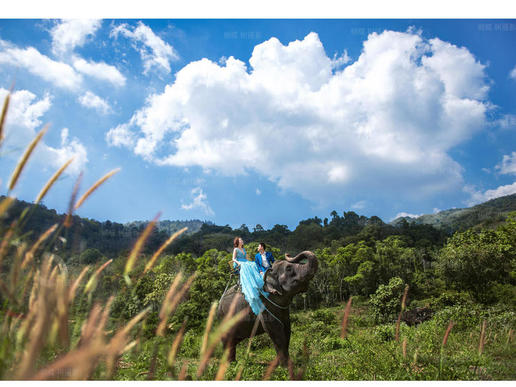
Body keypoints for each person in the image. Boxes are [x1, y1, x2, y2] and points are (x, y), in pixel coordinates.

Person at [232, 237, 268, 315]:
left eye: (242, 240)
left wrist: (248, 262)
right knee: (246, 266)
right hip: (238, 263)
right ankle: (249, 286)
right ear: (237, 242)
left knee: (253, 264)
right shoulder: (236, 249)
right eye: (240, 240)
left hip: (245, 262)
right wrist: (238, 263)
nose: (242, 241)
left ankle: (256, 282)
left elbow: (246, 259)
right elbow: (233, 259)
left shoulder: (243, 249)